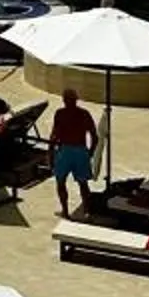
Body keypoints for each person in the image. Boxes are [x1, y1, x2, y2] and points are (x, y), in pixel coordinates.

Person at [48, 88, 99, 218]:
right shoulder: (84, 114)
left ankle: (65, 211)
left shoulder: (60, 114)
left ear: (64, 100)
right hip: (80, 151)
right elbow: (95, 136)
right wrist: (90, 152)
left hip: (65, 150)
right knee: (83, 184)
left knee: (60, 182)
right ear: (76, 100)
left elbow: (54, 137)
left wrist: (51, 155)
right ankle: (87, 210)